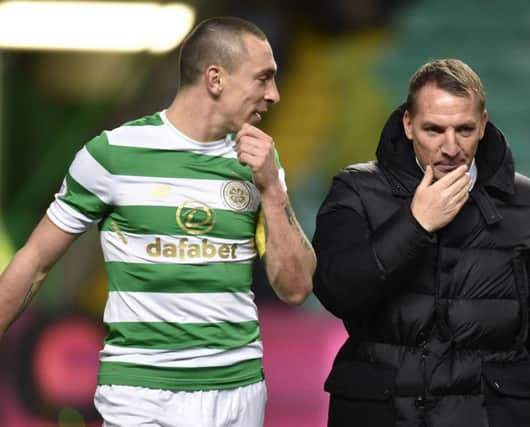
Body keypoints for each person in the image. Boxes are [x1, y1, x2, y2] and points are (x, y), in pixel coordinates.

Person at [0, 16, 315, 427]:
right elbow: (36, 260)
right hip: (140, 394)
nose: (274, 94)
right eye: (262, 79)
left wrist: (273, 188)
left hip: (236, 394)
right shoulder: (113, 154)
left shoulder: (258, 164)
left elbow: (295, 288)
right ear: (215, 79)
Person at [313, 59, 530, 427]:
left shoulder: (529, 204)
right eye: (434, 130)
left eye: (465, 129)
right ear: (408, 125)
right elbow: (335, 290)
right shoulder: (356, 191)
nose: (451, 147)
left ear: (483, 125)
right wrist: (414, 224)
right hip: (385, 413)